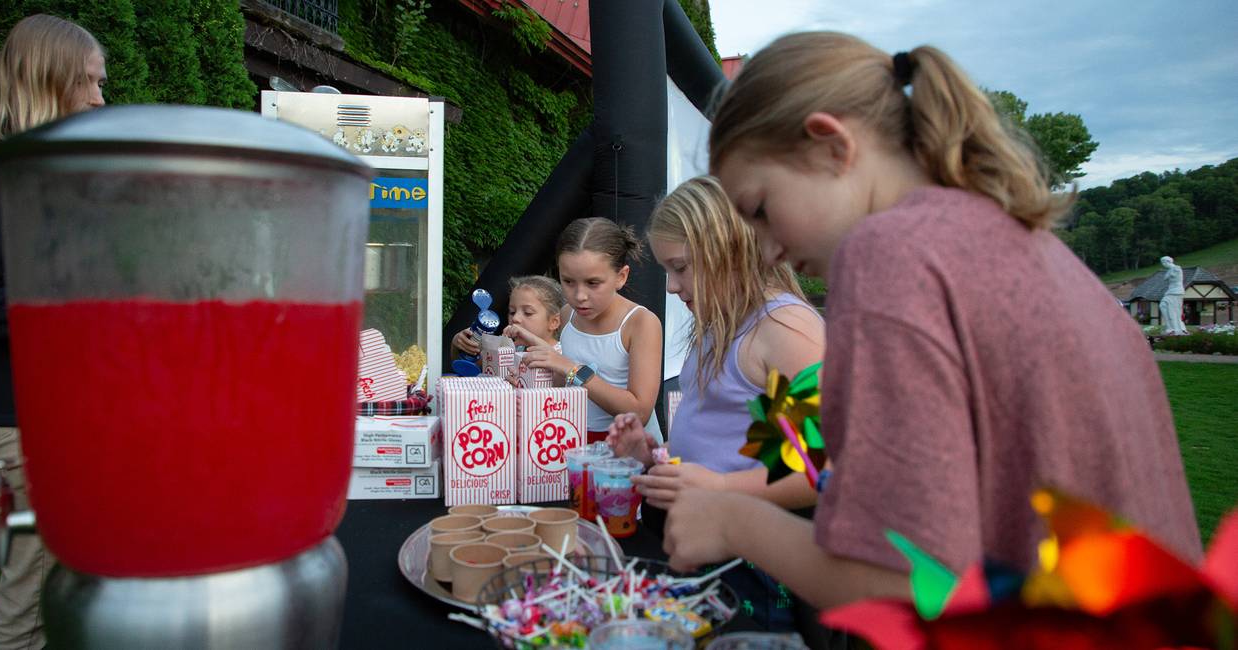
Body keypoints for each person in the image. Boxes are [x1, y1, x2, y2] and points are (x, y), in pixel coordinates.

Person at [660, 32, 1204, 611]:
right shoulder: (1025, 243)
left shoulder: (888, 251)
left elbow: (906, 583)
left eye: (762, 210)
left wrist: (731, 519)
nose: (765, 249)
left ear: (830, 145)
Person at [0, 14, 107, 650]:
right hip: (20, 412)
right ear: (47, 80)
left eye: (100, 83)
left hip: (57, 406)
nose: (98, 99)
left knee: (68, 568)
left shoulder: (48, 175)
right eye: (88, 83)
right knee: (34, 583)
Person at [607, 175, 832, 637]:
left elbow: (819, 468)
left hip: (763, 562)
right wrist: (653, 456)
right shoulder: (718, 323)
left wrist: (721, 485)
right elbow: (723, 437)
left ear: (730, 250)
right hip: (710, 542)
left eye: (682, 268)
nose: (671, 286)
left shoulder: (785, 330)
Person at [510, 217, 664, 444]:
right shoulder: (567, 314)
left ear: (621, 276)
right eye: (568, 281)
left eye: (593, 283)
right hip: (578, 442)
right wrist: (527, 381)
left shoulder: (640, 323)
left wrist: (572, 368)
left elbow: (639, 412)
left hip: (631, 455)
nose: (579, 295)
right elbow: (563, 385)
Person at [450, 275, 564, 360]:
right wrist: (458, 345)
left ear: (553, 322)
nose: (515, 319)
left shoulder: (564, 353)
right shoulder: (512, 348)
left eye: (528, 313)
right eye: (512, 312)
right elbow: (475, 367)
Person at [1159, 255, 1187, 335]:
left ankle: (1176, 328)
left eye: (1163, 262)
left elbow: (1167, 277)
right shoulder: (1170, 270)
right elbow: (1166, 277)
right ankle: (1170, 327)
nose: (1163, 265)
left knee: (1172, 310)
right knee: (1163, 306)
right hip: (1170, 291)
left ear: (1168, 262)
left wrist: (1169, 274)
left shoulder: (1176, 268)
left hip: (1176, 291)